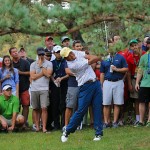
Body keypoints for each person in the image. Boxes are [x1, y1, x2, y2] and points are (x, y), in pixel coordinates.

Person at [60, 47, 103, 142]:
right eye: (69, 55)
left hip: (95, 83)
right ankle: (67, 130)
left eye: (70, 52)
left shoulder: (75, 52)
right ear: (66, 59)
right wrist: (97, 57)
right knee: (81, 111)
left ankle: (98, 133)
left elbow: (92, 57)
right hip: (85, 86)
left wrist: (95, 57)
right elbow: (94, 59)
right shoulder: (73, 65)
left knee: (97, 107)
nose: (72, 55)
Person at [100, 49, 128, 128]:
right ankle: (106, 122)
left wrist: (117, 69)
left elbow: (126, 69)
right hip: (107, 82)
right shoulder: (105, 58)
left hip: (118, 82)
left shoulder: (120, 57)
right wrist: (101, 85)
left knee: (117, 103)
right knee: (106, 103)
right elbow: (102, 73)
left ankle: (115, 122)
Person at [30, 47, 53, 132]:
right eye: (40, 54)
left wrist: (41, 66)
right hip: (34, 89)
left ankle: (44, 127)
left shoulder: (49, 63)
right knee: (36, 108)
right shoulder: (32, 64)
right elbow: (32, 77)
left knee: (44, 108)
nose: (41, 56)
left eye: (43, 54)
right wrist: (42, 73)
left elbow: (48, 75)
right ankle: (37, 127)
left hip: (44, 88)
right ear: (37, 54)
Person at [9, 47, 30, 128]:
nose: (15, 53)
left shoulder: (25, 62)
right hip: (13, 89)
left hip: (24, 87)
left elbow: (30, 72)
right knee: (15, 106)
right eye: (13, 52)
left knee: (25, 105)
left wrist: (21, 73)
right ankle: (15, 123)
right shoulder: (10, 63)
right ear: (11, 54)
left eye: (16, 51)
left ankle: (24, 123)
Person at [127, 39, 146, 125]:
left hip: (145, 79)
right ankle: (138, 118)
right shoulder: (130, 58)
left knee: (146, 99)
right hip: (134, 79)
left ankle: (146, 117)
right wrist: (130, 84)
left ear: (139, 45)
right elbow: (128, 72)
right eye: (132, 45)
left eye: (136, 45)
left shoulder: (144, 55)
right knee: (137, 99)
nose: (134, 47)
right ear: (130, 47)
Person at [51, 45, 69, 130]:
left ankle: (63, 124)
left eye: (60, 52)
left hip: (65, 84)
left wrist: (61, 78)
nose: (59, 54)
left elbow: (68, 73)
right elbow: (50, 74)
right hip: (55, 85)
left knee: (64, 104)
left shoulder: (65, 61)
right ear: (54, 53)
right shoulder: (52, 63)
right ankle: (56, 124)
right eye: (57, 52)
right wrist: (54, 80)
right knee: (55, 105)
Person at [135, 37, 150, 127]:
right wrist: (137, 82)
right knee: (141, 102)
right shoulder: (144, 57)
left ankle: (149, 121)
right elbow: (140, 70)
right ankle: (141, 121)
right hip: (145, 83)